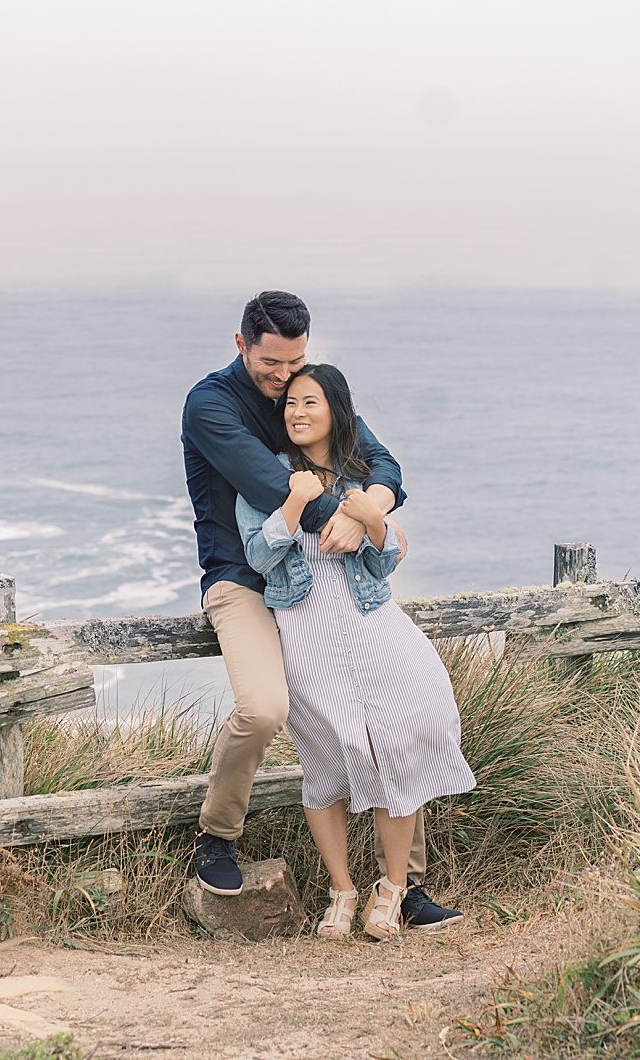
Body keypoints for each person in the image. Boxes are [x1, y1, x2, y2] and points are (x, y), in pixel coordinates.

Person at [180, 290, 463, 930]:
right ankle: (216, 835)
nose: (283, 382)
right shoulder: (212, 406)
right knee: (265, 709)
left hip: (327, 579)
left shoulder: (305, 392)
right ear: (241, 346)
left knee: (389, 713)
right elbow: (273, 486)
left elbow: (379, 461)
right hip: (246, 579)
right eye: (271, 367)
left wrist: (373, 513)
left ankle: (404, 887)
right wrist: (351, 514)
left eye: (295, 364)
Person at [236, 363, 476, 938]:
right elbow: (257, 557)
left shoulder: (361, 475)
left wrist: (372, 519)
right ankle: (342, 892)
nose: (296, 412)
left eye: (310, 403)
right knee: (325, 763)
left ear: (336, 411)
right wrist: (294, 504)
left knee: (406, 733)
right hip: (306, 634)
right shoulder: (266, 476)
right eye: (290, 403)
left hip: (370, 624)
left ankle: (392, 891)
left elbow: (386, 558)